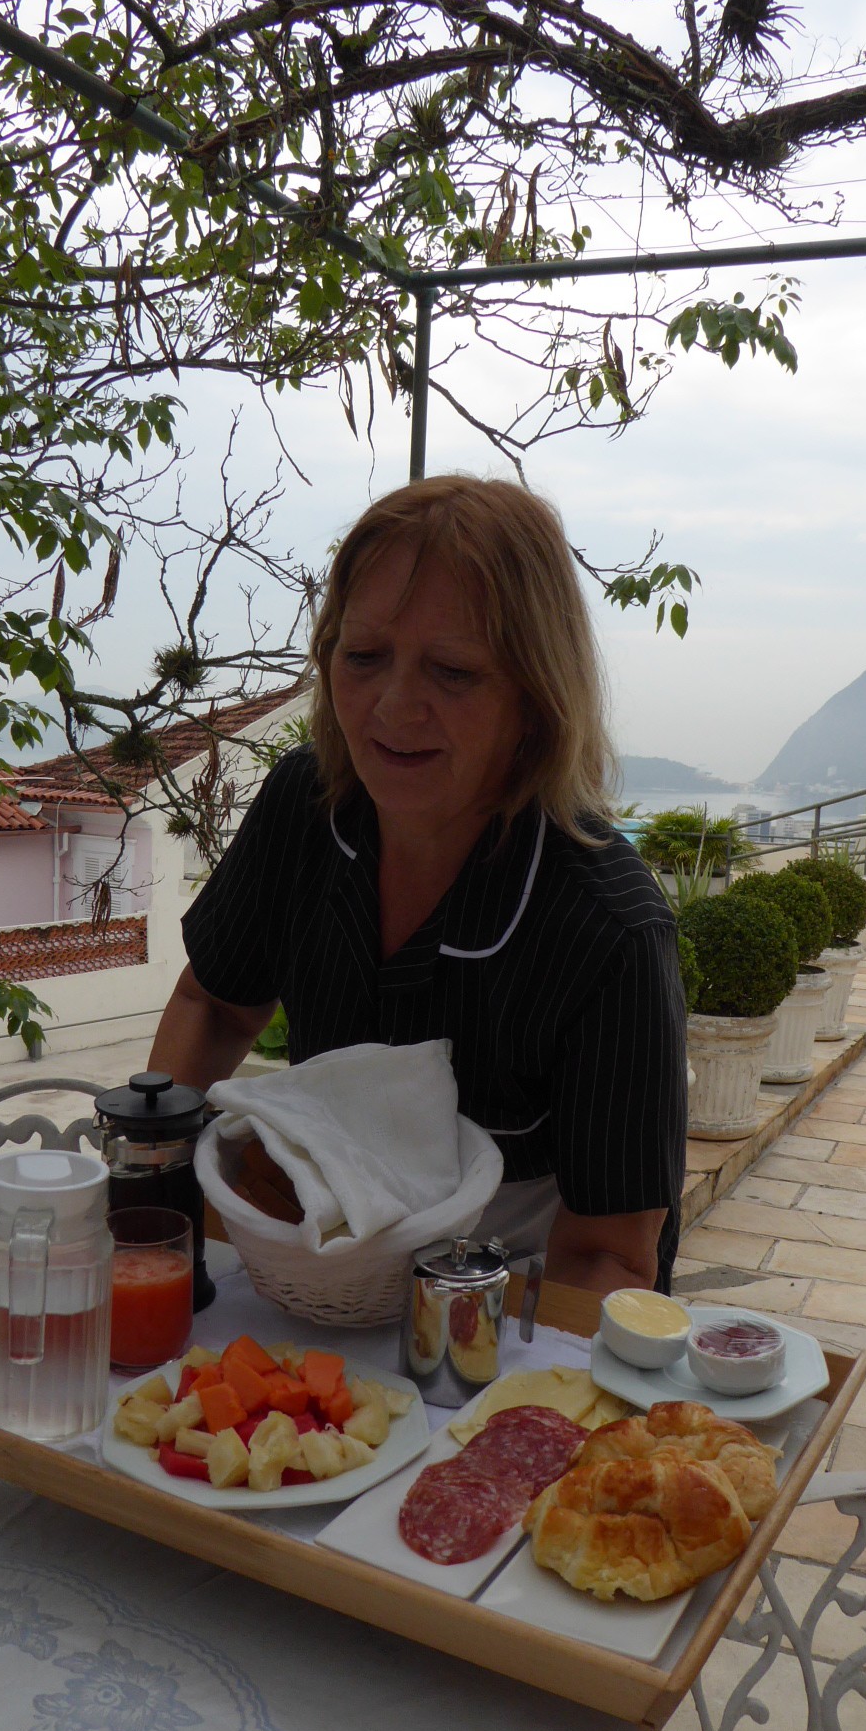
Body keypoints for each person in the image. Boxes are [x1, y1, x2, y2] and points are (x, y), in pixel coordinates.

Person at [149, 474, 687, 1295]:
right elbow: (215, 1004)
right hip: (312, 1276)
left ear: (536, 697)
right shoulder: (306, 807)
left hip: (502, 1321)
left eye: (454, 672)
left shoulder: (607, 928)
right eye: (363, 657)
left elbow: (609, 1255)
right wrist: (158, 1210)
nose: (395, 707)